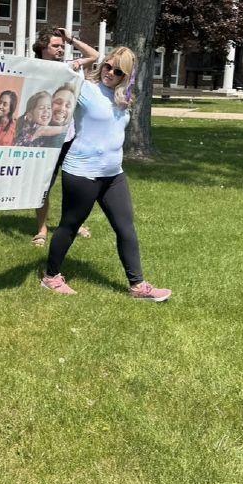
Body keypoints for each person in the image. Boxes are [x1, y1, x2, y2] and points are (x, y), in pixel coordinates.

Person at [41, 46, 172, 302]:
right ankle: (51, 277)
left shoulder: (123, 97)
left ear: (126, 75)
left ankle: (138, 286)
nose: (109, 72)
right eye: (107, 66)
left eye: (117, 70)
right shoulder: (85, 89)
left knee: (126, 229)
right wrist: (75, 58)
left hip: (113, 174)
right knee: (70, 225)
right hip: (82, 172)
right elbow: (54, 79)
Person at [31, 27, 98, 247]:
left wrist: (72, 39)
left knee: (74, 185)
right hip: (44, 141)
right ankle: (41, 229)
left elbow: (95, 56)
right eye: (56, 45)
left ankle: (74, 224)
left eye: (62, 46)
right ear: (43, 47)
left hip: (69, 139)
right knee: (43, 186)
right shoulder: (32, 68)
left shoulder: (70, 67)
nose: (61, 49)